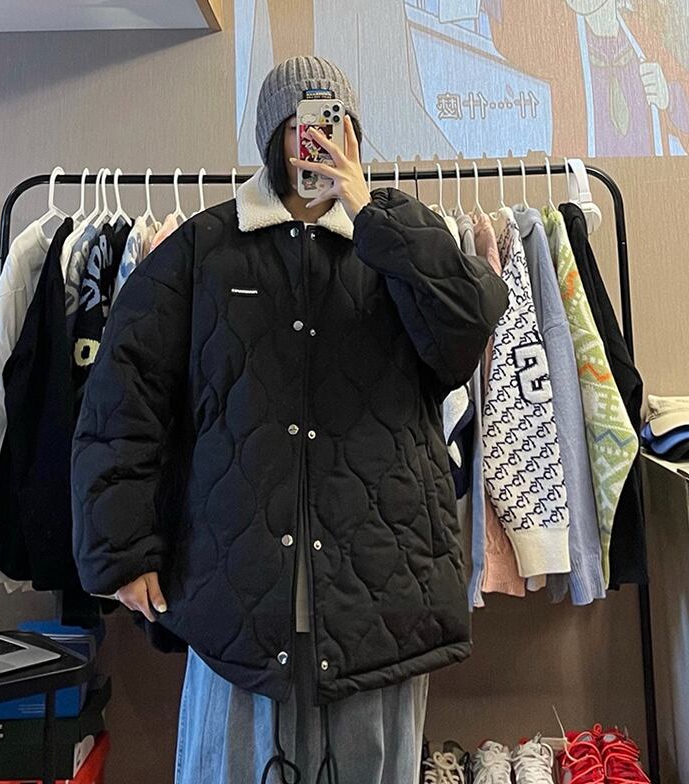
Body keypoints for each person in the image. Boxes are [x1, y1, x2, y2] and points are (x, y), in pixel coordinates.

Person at [72, 56, 508, 783]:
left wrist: (370, 210)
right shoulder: (202, 250)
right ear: (272, 136)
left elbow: (467, 331)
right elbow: (123, 397)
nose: (318, 140)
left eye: (335, 122)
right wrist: (120, 548)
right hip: (235, 595)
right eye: (301, 124)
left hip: (380, 593)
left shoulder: (401, 241)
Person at [486, 0, 689, 156]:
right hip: (585, 186)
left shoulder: (643, 38)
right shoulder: (559, 38)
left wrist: (670, 97)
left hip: (647, 181)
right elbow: (508, 24)